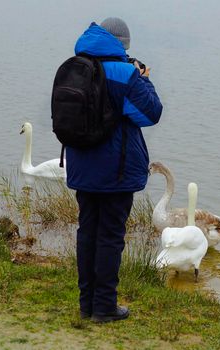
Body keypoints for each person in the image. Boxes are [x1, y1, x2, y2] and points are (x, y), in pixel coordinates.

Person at [65, 17, 163, 323]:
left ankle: (87, 304)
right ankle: (105, 306)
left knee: (87, 232)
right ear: (122, 45)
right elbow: (150, 113)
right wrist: (143, 78)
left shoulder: (74, 67)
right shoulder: (123, 73)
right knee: (110, 236)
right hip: (116, 171)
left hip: (82, 165)